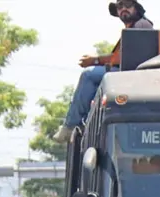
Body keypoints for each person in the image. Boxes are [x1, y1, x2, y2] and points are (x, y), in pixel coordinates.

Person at [53, 0, 153, 142]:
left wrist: (95, 60)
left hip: (132, 74)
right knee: (94, 86)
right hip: (127, 72)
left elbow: (125, 57)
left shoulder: (141, 26)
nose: (123, 9)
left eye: (127, 5)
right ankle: (85, 122)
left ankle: (70, 125)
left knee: (89, 75)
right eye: (120, 6)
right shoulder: (133, 28)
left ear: (136, 8)